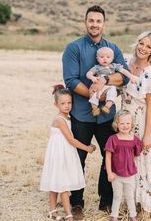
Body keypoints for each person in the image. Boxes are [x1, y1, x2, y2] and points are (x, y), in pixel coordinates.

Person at [62, 5, 129, 220]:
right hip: (82, 114)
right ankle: (77, 202)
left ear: (103, 24)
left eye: (98, 21)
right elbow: (71, 80)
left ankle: (106, 200)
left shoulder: (114, 48)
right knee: (77, 158)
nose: (94, 24)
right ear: (85, 22)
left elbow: (124, 77)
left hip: (108, 116)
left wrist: (106, 81)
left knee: (111, 156)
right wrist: (98, 97)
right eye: (91, 20)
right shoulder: (74, 48)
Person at [122, 31, 151, 216]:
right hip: (126, 120)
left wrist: (147, 135)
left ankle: (148, 204)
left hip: (144, 121)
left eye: (148, 46)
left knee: (145, 158)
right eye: (141, 43)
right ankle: (133, 201)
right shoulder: (126, 63)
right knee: (130, 160)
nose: (143, 48)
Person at [40, 85, 96, 221]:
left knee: (56, 181)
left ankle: (53, 210)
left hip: (64, 152)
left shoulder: (68, 117)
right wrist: (87, 148)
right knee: (63, 184)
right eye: (63, 103)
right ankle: (68, 213)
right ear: (56, 104)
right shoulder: (60, 120)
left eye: (69, 103)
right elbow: (71, 140)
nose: (67, 106)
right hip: (59, 154)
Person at [105, 109, 142, 221]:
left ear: (132, 124)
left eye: (127, 123)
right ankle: (114, 216)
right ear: (117, 124)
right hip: (116, 174)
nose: (125, 126)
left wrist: (129, 165)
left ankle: (133, 216)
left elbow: (136, 155)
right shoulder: (113, 139)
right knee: (117, 196)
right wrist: (109, 172)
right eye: (122, 123)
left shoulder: (135, 140)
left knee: (130, 196)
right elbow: (108, 157)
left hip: (130, 174)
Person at [86, 47, 137, 116]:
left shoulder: (114, 66)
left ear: (112, 59)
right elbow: (88, 73)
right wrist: (92, 77)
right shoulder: (97, 67)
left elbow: (124, 71)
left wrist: (131, 76)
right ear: (97, 59)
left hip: (110, 85)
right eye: (101, 57)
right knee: (94, 94)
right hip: (99, 85)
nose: (105, 59)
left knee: (113, 91)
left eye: (108, 57)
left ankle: (107, 106)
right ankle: (94, 109)